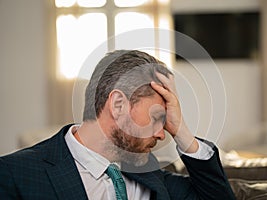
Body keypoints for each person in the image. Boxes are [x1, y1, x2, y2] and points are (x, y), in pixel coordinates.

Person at [0, 50, 235, 199]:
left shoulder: (151, 175)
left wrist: (181, 130)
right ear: (118, 104)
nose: (163, 134)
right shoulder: (14, 174)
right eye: (156, 118)